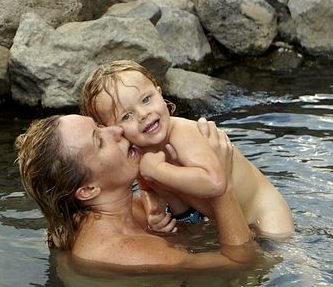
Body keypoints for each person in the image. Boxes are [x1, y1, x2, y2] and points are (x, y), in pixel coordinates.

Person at [15, 113, 263, 274]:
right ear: (88, 190)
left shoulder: (127, 208)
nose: (116, 130)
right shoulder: (126, 252)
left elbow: (191, 232)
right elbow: (242, 264)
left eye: (99, 126)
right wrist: (222, 183)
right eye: (100, 141)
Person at [79, 60, 294, 239]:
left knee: (288, 259)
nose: (143, 114)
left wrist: (157, 170)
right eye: (126, 116)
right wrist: (153, 206)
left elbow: (215, 182)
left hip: (263, 211)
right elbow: (148, 187)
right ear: (112, 131)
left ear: (160, 93)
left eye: (146, 99)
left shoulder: (183, 134)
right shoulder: (138, 154)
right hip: (228, 219)